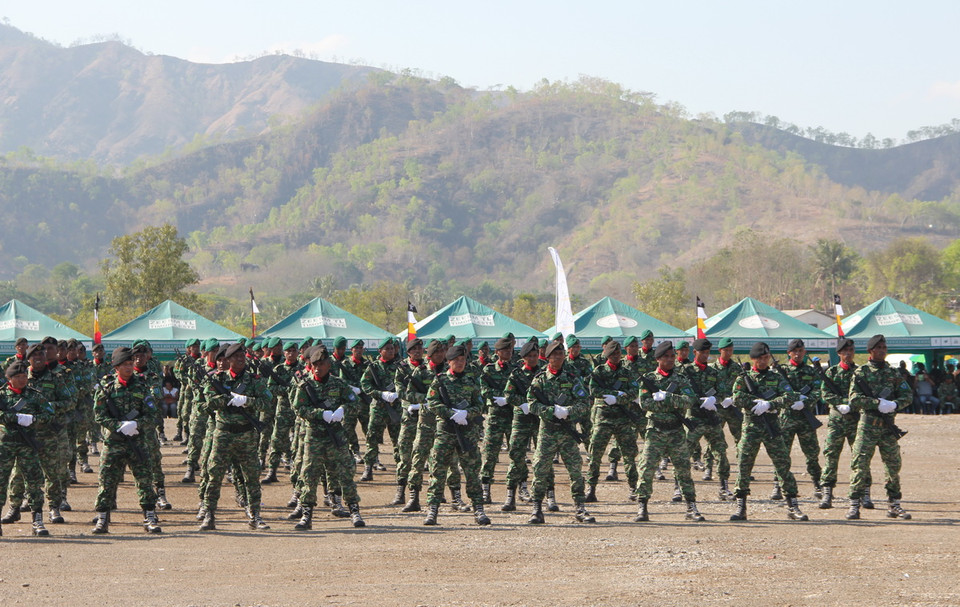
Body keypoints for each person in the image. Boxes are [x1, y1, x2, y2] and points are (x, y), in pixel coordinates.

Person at [729, 341, 808, 522]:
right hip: (751, 427)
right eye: (760, 358)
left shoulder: (776, 377)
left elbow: (790, 395)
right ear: (753, 359)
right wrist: (755, 403)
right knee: (744, 464)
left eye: (766, 357)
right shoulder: (744, 378)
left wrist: (771, 404)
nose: (763, 361)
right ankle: (741, 506)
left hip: (772, 424)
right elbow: (737, 397)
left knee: (782, 464)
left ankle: (792, 505)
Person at [199, 343, 273, 531]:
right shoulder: (216, 379)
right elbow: (209, 402)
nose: (241, 359)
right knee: (214, 474)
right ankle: (209, 514)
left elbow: (266, 402)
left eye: (243, 356)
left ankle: (255, 515)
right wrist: (227, 398)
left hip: (246, 434)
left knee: (251, 476)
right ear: (228, 360)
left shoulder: (254, 380)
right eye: (236, 356)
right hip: (223, 433)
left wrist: (246, 400)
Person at [290, 346, 364, 529]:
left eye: (321, 364)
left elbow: (355, 403)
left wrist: (342, 410)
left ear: (329, 365)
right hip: (314, 437)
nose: (317, 368)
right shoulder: (305, 386)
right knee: (309, 475)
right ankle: (306, 515)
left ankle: (354, 511)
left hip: (335, 437)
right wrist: (319, 414)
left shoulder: (338, 384)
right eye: (314, 364)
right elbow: (298, 408)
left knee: (346, 473)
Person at [90, 347, 162, 534]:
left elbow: (152, 414)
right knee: (107, 480)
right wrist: (118, 426)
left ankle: (150, 516)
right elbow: (99, 416)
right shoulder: (107, 389)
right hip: (114, 442)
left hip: (137, 441)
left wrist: (136, 424)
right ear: (116, 367)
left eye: (130, 364)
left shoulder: (142, 386)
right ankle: (103, 518)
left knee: (145, 479)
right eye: (125, 365)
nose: (129, 368)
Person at [525, 340, 595, 524]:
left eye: (561, 353)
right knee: (540, 470)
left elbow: (585, 403)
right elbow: (531, 403)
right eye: (554, 354)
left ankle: (580, 508)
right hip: (547, 431)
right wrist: (550, 411)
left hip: (567, 432)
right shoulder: (539, 379)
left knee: (575, 470)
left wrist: (568, 411)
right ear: (547, 357)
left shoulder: (572, 378)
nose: (558, 357)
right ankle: (537, 508)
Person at [633, 341, 704, 522]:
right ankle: (642, 506)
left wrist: (668, 397)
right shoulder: (649, 379)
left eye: (672, 356)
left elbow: (690, 400)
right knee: (646, 468)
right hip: (655, 430)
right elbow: (645, 404)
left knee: (683, 470)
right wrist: (669, 401)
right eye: (666, 357)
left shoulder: (681, 379)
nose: (671, 359)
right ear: (658, 359)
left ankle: (691, 506)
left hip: (675, 430)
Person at [845, 334, 913, 521]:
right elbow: (854, 399)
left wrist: (894, 405)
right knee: (860, 465)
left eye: (884, 347)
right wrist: (877, 403)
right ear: (870, 351)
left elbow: (908, 395)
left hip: (887, 426)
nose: (882, 350)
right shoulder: (862, 373)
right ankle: (854, 504)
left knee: (893, 465)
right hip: (868, 425)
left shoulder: (893, 373)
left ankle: (894, 504)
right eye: (879, 347)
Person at [422, 344, 490, 526]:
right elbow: (432, 402)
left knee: (472, 472)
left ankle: (479, 509)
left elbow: (480, 405)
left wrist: (467, 413)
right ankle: (432, 510)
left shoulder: (471, 382)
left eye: (463, 360)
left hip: (467, 433)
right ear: (449, 362)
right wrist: (450, 413)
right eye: (456, 360)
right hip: (445, 432)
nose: (460, 363)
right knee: (438, 472)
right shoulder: (440, 381)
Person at [0, 361, 53, 536]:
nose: (22, 380)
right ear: (9, 378)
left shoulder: (35, 396)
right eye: (18, 377)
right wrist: (14, 417)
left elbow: (49, 414)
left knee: (34, 482)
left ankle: (37, 520)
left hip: (27, 444)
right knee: (1, 483)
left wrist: (33, 419)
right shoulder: (2, 395)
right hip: (5, 445)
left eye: (24, 376)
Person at [818, 338, 872, 509]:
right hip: (837, 421)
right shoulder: (832, 373)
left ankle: (864, 493)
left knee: (860, 457)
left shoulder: (860, 372)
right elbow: (825, 393)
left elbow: (867, 394)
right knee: (831, 455)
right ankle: (827, 493)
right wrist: (839, 403)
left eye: (851, 350)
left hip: (857, 420)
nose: (848, 354)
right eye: (844, 351)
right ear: (839, 353)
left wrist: (853, 404)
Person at [585, 340, 640, 502]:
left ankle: (633, 488)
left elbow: (634, 391)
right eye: (612, 354)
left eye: (618, 353)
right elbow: (593, 390)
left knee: (630, 455)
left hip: (623, 419)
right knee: (595, 455)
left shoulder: (627, 371)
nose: (616, 356)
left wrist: (618, 398)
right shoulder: (599, 371)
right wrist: (609, 395)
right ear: (607, 355)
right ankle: (591, 488)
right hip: (603, 419)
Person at [772, 339, 823, 501]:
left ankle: (817, 484)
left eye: (801, 351)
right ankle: (778, 485)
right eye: (795, 351)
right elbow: (776, 391)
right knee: (782, 454)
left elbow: (818, 390)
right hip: (786, 417)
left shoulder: (811, 371)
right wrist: (789, 400)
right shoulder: (781, 372)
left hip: (805, 418)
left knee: (812, 453)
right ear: (789, 353)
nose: (798, 354)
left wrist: (805, 402)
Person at [681, 338, 732, 500]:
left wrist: (714, 400)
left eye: (707, 352)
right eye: (702, 352)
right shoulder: (685, 371)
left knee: (720, 453)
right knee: (683, 454)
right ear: (694, 353)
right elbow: (678, 393)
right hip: (693, 419)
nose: (705, 355)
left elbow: (722, 393)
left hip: (711, 419)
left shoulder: (713, 372)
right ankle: (679, 486)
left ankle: (724, 486)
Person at [479, 337, 516, 504]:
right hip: (495, 415)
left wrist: (508, 399)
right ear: (497, 353)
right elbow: (483, 390)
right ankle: (486, 489)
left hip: (513, 415)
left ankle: (516, 488)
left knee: (516, 453)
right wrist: (497, 397)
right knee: (490, 454)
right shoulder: (488, 370)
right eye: (505, 350)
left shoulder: (515, 370)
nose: (508, 353)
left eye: (510, 350)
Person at [359, 338, 402, 481]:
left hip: (395, 408)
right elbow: (365, 385)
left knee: (398, 440)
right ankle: (368, 468)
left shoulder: (399, 366)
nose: (391, 351)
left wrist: (398, 394)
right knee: (372, 438)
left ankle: (401, 469)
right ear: (380, 351)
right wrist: (380, 394)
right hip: (378, 408)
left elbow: (407, 384)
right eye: (387, 349)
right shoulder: (374, 367)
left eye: (392, 349)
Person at [393, 338, 425, 506]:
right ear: (409, 351)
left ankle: (436, 493)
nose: (418, 351)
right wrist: (418, 400)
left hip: (427, 414)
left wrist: (425, 401)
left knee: (430, 455)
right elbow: (400, 391)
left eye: (420, 348)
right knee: (405, 453)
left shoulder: (428, 366)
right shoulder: (402, 368)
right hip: (409, 415)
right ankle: (400, 491)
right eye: (415, 349)